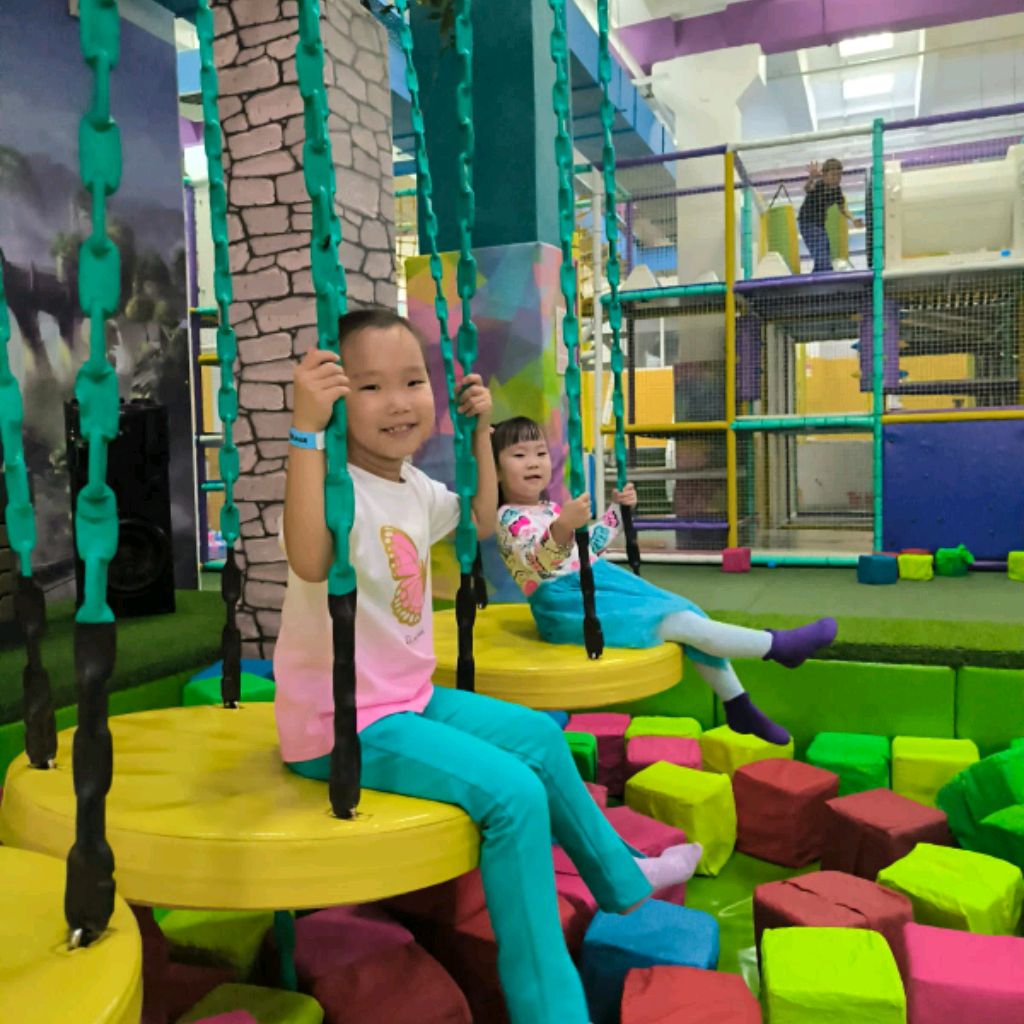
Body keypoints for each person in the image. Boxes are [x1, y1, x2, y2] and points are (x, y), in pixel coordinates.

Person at [274, 308, 702, 1024]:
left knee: (538, 738)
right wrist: (304, 433)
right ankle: (550, 1009)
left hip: (406, 701)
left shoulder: (411, 486)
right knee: (514, 795)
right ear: (338, 397)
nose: (399, 401)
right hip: (342, 725)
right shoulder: (336, 484)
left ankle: (624, 882)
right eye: (371, 386)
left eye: (413, 381)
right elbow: (311, 557)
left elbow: (477, 520)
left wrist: (480, 433)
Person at [492, 416, 839, 747]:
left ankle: (738, 704)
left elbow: (588, 546)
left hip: (598, 583)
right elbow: (539, 562)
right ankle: (777, 646)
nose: (533, 462)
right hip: (567, 606)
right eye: (519, 455)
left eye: (540, 453)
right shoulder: (508, 519)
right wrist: (564, 526)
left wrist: (616, 511)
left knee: (689, 613)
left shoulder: (550, 509)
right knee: (678, 623)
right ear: (495, 470)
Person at [799, 158, 864, 273]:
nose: (837, 178)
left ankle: (818, 274)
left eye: (839, 175)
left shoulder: (836, 190)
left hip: (820, 225)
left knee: (824, 249)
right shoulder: (819, 185)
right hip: (807, 223)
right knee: (822, 251)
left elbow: (842, 208)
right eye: (833, 175)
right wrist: (812, 177)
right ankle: (825, 274)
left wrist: (853, 219)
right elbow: (807, 188)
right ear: (824, 175)